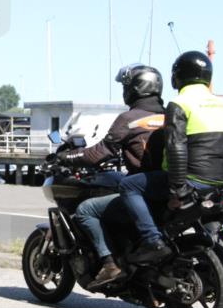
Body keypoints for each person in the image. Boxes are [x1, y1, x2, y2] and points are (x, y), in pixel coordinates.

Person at [118, 51, 223, 262]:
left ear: (177, 77)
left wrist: (178, 190)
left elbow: (176, 147)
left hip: (192, 182)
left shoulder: (180, 104)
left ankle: (153, 241)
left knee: (128, 186)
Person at [56, 64, 165, 287]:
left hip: (145, 190)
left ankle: (109, 263)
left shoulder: (130, 118)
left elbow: (99, 153)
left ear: (135, 89)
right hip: (169, 185)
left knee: (86, 210)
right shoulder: (168, 115)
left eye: (126, 86)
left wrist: (67, 157)